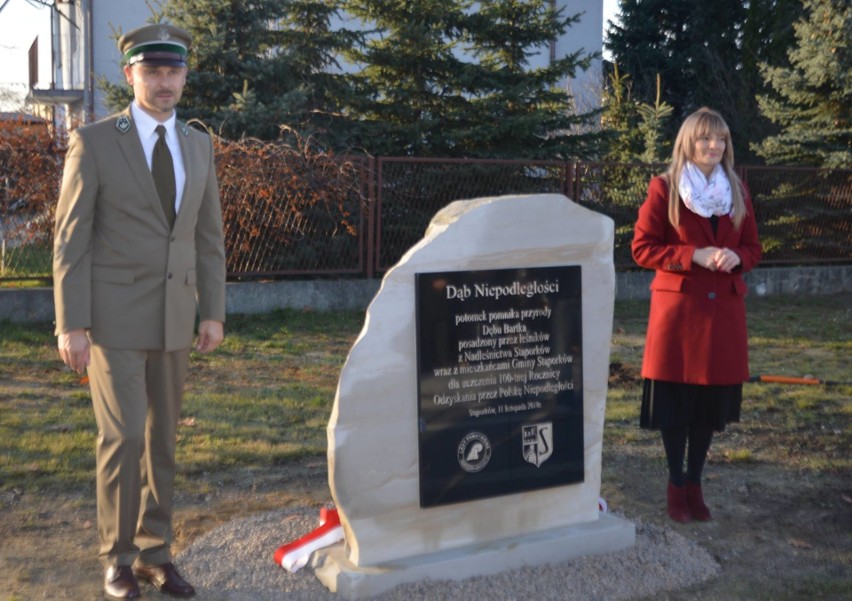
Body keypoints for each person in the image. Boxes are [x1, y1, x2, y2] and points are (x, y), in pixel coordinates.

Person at [52, 23, 226, 600]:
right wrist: (71, 323)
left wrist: (212, 312)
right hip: (114, 318)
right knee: (123, 437)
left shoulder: (198, 144)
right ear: (131, 75)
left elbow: (208, 240)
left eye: (174, 71)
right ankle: (117, 558)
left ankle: (156, 553)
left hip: (176, 317)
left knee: (163, 441)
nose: (165, 81)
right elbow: (71, 240)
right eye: (153, 71)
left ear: (184, 76)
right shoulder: (98, 141)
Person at [631, 107, 761, 524]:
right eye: (706, 138)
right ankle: (674, 482)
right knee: (677, 406)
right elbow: (642, 248)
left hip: (723, 314)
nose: (714, 146)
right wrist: (694, 255)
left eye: (721, 139)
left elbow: (754, 250)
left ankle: (695, 484)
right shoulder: (665, 188)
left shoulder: (737, 190)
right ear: (689, 141)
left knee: (707, 406)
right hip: (679, 315)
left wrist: (735, 257)